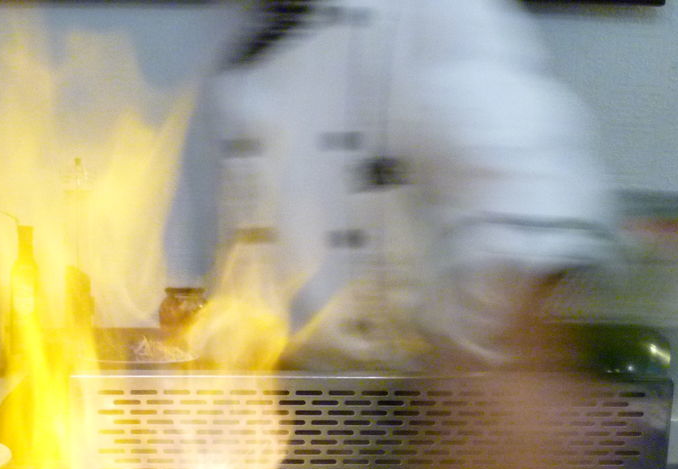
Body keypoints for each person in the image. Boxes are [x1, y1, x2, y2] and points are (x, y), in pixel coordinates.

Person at [206, 0, 616, 371]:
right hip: (283, 394)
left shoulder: (432, 13)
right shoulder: (260, 31)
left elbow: (531, 190)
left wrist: (505, 382)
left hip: (405, 404)